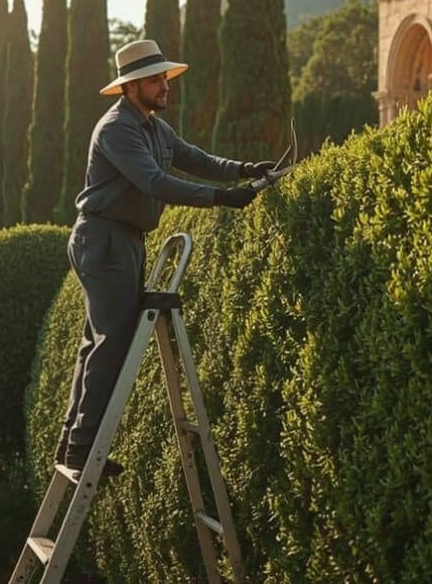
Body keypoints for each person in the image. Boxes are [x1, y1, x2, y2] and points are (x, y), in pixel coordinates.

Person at [56, 39, 272, 475]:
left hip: (121, 241)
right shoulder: (117, 128)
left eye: (164, 78)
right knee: (111, 343)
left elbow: (195, 159)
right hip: (105, 240)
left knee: (96, 343)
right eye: (155, 80)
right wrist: (221, 199)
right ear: (130, 86)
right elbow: (154, 182)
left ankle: (71, 443)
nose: (165, 86)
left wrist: (244, 169)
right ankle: (81, 446)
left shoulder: (155, 127)